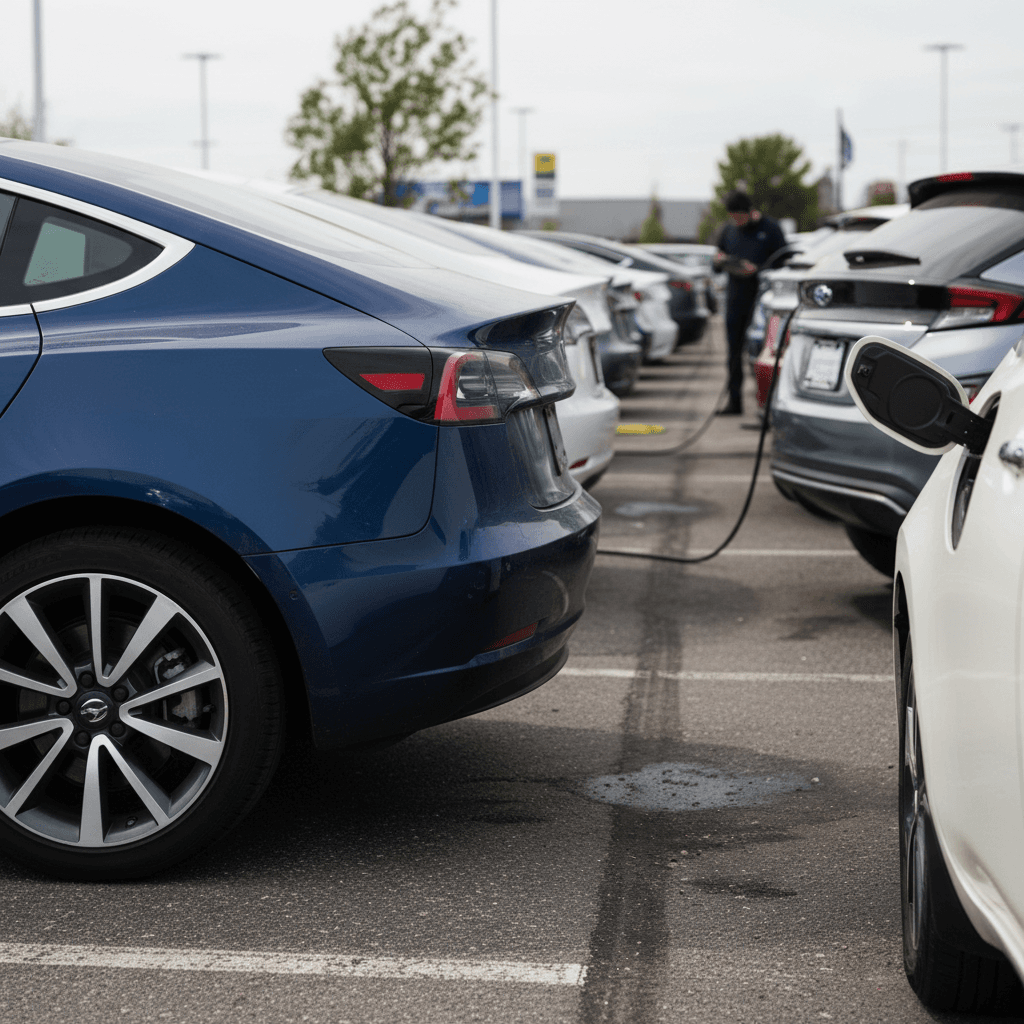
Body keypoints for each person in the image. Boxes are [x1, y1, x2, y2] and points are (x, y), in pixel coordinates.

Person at [713, 191, 786, 415]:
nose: (736, 222)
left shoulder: (770, 229)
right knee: (733, 354)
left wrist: (758, 270)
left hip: (762, 303)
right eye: (732, 217)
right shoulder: (728, 231)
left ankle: (765, 405)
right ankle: (734, 402)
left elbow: (783, 261)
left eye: (739, 217)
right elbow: (716, 263)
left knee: (762, 354)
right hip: (736, 301)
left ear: (750, 212)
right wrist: (720, 261)